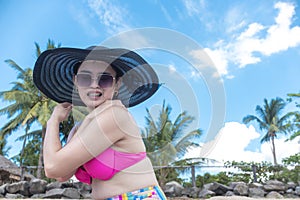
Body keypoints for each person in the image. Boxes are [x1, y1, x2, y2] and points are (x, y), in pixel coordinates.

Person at [33, 46, 167, 199]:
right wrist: (54, 121)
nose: (94, 84)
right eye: (85, 78)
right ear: (76, 81)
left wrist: (52, 122)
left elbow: (53, 167)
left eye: (104, 79)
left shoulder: (115, 115)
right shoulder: (81, 127)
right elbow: (61, 175)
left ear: (116, 85)